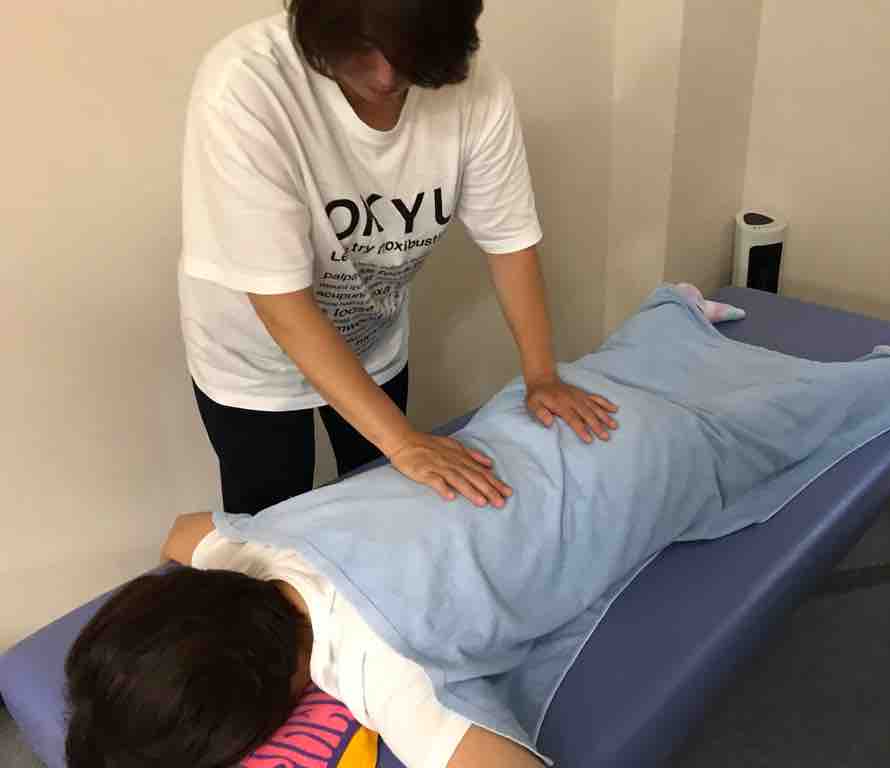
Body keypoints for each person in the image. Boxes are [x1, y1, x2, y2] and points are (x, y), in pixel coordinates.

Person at [65, 285, 890, 768]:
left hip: (645, 464)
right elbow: (183, 532)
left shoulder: (388, 672)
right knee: (608, 375)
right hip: (534, 416)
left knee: (762, 431)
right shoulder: (251, 550)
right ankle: (674, 311)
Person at [179, 0, 618, 518]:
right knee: (270, 527)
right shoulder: (246, 86)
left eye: (408, 53)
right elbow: (282, 306)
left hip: (371, 338)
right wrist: (403, 442)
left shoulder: (477, 91)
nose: (386, 76)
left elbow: (510, 241)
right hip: (254, 358)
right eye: (363, 50)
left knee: (385, 508)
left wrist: (541, 376)